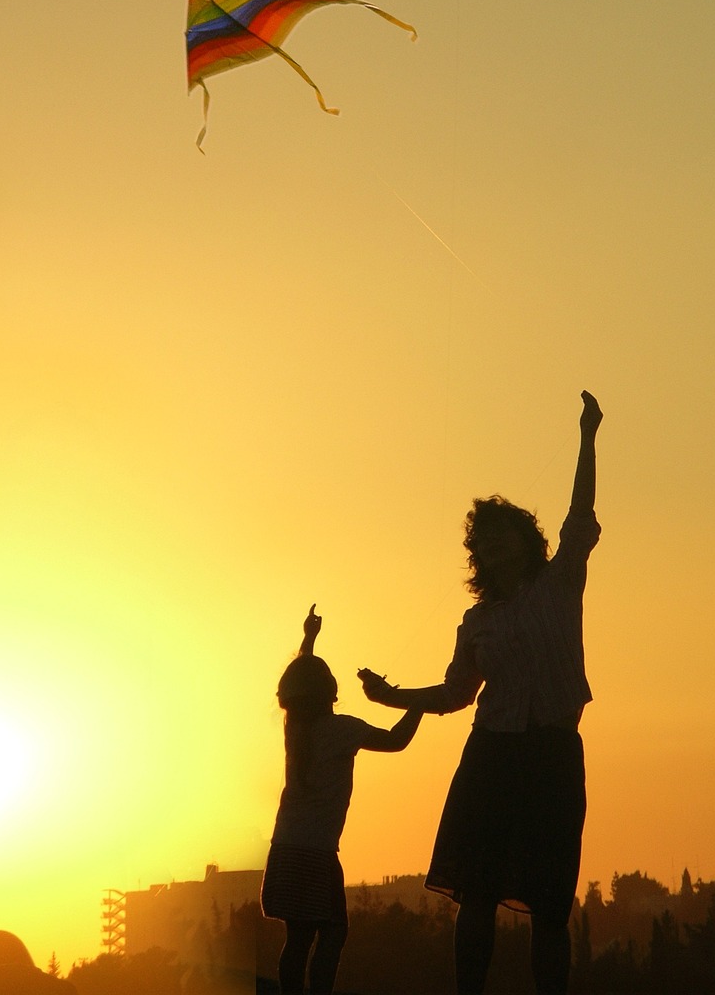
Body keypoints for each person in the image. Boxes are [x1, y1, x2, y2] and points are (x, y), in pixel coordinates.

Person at [359, 390, 602, 995]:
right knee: (477, 894)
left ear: (524, 540)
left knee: (549, 901)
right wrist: (392, 698)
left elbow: (580, 514)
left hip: (551, 755)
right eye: (482, 540)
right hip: (489, 759)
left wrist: (587, 436)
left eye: (501, 534)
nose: (490, 544)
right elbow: (454, 693)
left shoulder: (560, 582)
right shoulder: (477, 622)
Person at [261, 605, 424, 995]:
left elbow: (303, 678)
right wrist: (421, 702)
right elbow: (397, 740)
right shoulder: (341, 730)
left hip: (285, 851)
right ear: (331, 693)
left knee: (298, 939)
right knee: (333, 932)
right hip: (316, 854)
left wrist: (309, 640)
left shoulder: (295, 730)